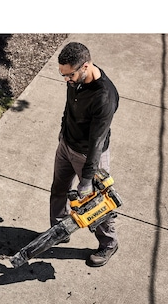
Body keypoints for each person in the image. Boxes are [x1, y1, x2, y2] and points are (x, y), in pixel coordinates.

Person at [50, 41, 120, 267]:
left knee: (96, 204)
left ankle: (109, 243)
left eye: (69, 75)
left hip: (89, 156)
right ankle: (59, 229)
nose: (66, 80)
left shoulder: (105, 97)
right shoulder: (75, 79)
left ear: (85, 67)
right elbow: (69, 107)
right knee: (58, 189)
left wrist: (88, 180)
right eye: (63, 74)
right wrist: (63, 132)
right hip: (66, 145)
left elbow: (97, 141)